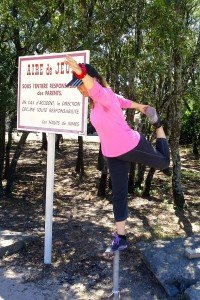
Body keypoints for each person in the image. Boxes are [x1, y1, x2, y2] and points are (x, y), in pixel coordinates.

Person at [65, 55, 170, 255]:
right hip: (113, 154)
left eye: (80, 84)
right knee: (119, 195)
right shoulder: (102, 99)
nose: (79, 88)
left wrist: (81, 72)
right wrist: (139, 106)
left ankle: (158, 126)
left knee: (164, 163)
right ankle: (120, 238)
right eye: (77, 84)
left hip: (131, 144)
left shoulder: (101, 93)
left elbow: (98, 90)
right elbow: (120, 101)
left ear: (92, 80)